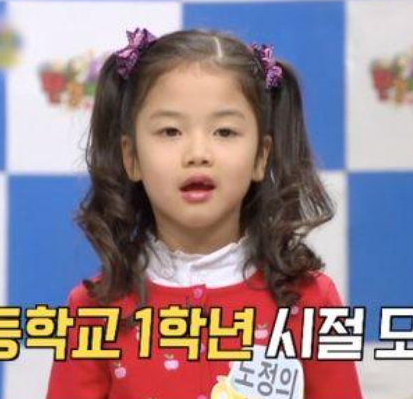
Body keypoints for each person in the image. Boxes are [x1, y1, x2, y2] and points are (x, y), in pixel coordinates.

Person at [46, 27, 363, 399]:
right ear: (131, 157)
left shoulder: (310, 300)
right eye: (170, 131)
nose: (198, 153)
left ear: (261, 156)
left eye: (224, 132)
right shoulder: (93, 311)